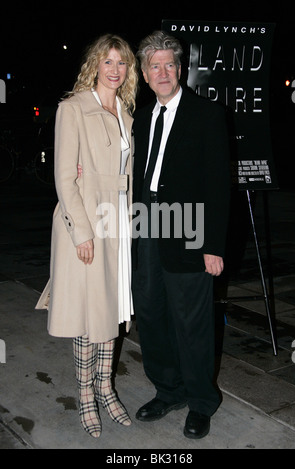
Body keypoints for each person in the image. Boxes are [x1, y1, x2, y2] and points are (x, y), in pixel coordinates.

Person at [36, 34, 138, 438]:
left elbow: (128, 177)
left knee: (111, 309)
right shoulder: (72, 108)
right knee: (86, 312)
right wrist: (81, 231)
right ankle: (84, 393)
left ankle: (106, 388)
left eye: (122, 63)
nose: (115, 70)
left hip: (117, 224)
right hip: (85, 223)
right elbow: (64, 177)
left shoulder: (127, 114)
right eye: (108, 61)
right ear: (95, 65)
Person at [132, 31, 231, 439]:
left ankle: (201, 401)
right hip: (147, 222)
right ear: (143, 72)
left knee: (191, 321)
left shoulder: (206, 114)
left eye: (169, 64)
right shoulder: (140, 115)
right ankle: (168, 390)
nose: (162, 72)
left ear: (180, 68)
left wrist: (212, 246)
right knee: (151, 312)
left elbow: (218, 185)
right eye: (154, 65)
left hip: (189, 225)